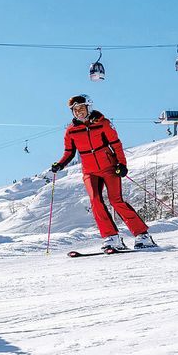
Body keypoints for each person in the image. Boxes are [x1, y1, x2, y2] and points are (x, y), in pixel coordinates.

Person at [50, 94, 157, 251]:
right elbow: (69, 152)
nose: (78, 112)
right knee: (95, 201)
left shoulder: (103, 124)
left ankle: (143, 235)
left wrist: (122, 164)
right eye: (75, 110)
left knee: (116, 201)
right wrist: (59, 164)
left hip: (109, 167)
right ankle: (112, 237)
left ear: (88, 107)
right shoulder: (71, 131)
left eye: (81, 108)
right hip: (89, 171)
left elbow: (116, 144)